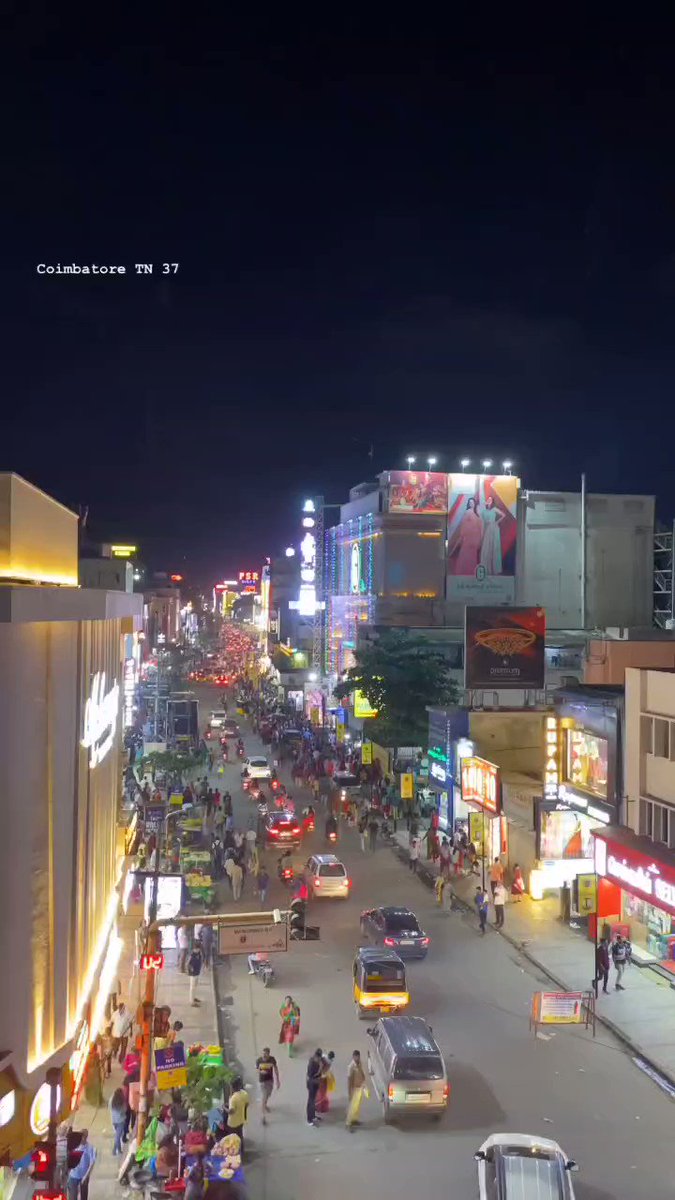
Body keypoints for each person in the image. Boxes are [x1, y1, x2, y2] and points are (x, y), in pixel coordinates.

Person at [66, 1129, 96, 1200]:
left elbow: (91, 1164)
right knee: (72, 1197)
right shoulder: (74, 1145)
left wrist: (86, 1176)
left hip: (84, 1176)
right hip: (73, 1175)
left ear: (85, 1137)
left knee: (84, 1196)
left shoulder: (90, 1148)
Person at [256, 1046, 280, 1123]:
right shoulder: (259, 1060)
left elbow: (276, 1069)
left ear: (268, 1054)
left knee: (268, 1094)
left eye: (265, 1054)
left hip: (270, 1080)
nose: (264, 1056)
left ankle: (265, 1104)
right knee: (264, 1096)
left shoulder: (272, 1060)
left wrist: (277, 1080)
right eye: (263, 1054)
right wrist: (260, 1072)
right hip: (262, 1081)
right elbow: (257, 1070)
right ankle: (263, 1116)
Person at [226, 1077, 249, 1154]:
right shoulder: (244, 1093)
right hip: (241, 1119)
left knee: (233, 1138)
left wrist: (224, 1108)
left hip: (232, 1122)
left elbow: (231, 1111)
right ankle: (242, 1151)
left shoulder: (233, 1098)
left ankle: (235, 1152)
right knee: (240, 1135)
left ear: (232, 1086)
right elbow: (247, 1104)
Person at [346, 1049, 367, 1130]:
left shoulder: (359, 1063)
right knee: (352, 1107)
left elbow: (361, 1071)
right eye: (356, 1057)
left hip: (359, 1087)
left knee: (357, 1106)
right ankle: (348, 1123)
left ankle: (354, 1120)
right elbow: (349, 1080)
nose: (357, 1058)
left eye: (358, 1056)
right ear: (353, 1057)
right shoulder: (351, 1067)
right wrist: (349, 1092)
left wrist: (364, 1079)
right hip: (354, 1088)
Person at [306, 1049, 323, 1126]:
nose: (319, 1059)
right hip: (311, 1084)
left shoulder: (319, 1061)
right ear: (315, 1056)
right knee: (311, 1101)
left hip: (316, 1083)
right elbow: (311, 1077)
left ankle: (313, 1116)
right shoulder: (311, 1065)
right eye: (318, 1058)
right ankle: (309, 1119)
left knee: (314, 1101)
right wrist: (318, 1079)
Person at [109, 1087, 127, 1155]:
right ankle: (114, 1149)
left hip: (114, 1120)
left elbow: (109, 1108)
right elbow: (124, 1110)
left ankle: (119, 1150)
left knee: (117, 1135)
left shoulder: (111, 1100)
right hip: (120, 1121)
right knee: (118, 1136)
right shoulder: (122, 1101)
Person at [316, 1050, 336, 1115]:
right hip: (322, 1078)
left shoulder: (323, 1056)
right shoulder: (329, 1062)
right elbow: (325, 1070)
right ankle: (320, 1107)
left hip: (319, 1077)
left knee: (318, 1093)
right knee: (322, 1093)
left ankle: (317, 1106)